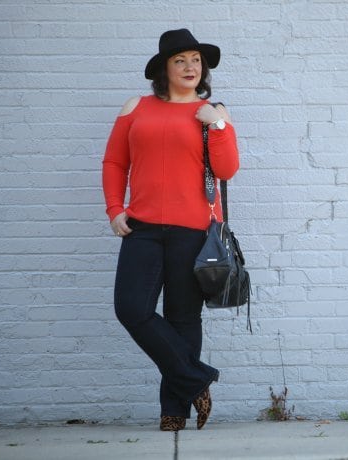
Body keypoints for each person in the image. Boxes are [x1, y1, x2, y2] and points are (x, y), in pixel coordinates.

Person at [101, 29, 239, 432]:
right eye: (180, 60)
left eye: (196, 60)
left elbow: (228, 169)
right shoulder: (136, 107)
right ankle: (197, 380)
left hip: (192, 232)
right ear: (164, 68)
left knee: (182, 318)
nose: (190, 67)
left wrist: (217, 125)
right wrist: (114, 209)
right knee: (132, 309)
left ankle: (173, 411)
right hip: (140, 228)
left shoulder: (213, 112)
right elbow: (114, 163)